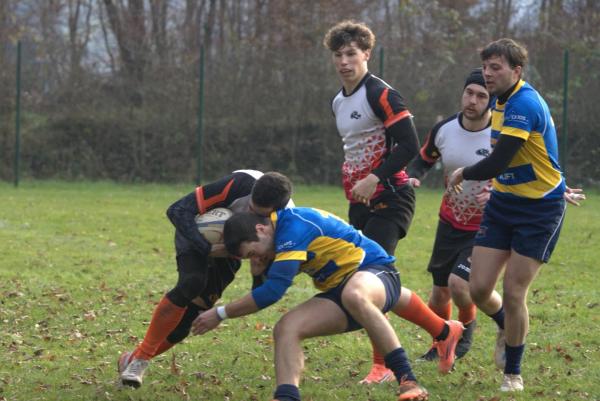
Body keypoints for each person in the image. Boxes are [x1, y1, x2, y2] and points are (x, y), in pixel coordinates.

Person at [192, 208, 464, 401]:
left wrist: (221, 313)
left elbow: (272, 292)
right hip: (339, 289)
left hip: (376, 269)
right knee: (286, 327)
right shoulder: (275, 237)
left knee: (355, 295)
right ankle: (286, 396)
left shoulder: (292, 229)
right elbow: (262, 289)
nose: (257, 257)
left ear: (260, 229)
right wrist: (252, 269)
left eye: (254, 252)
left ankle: (408, 380)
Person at [448, 38, 585, 392]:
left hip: (539, 209)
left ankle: (513, 372)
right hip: (503, 204)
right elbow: (539, 152)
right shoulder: (498, 99)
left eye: (496, 68)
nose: (488, 74)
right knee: (478, 288)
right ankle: (504, 325)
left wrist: (463, 172)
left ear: (516, 70)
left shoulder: (523, 104)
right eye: (486, 67)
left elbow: (499, 160)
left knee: (513, 292)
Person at [324, 20, 440, 384]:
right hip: (359, 202)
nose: (344, 62)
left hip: (392, 196)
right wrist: (356, 182)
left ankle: (384, 365)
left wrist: (373, 178)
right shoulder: (338, 101)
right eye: (338, 55)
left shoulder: (382, 94)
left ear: (366, 54)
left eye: (351, 54)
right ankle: (443, 330)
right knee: (369, 278)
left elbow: (409, 146)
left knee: (370, 277)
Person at [117, 170, 293, 388]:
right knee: (192, 282)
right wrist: (206, 247)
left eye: (256, 213)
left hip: (232, 253)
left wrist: (257, 272)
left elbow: (262, 291)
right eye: (249, 207)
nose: (248, 213)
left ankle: (129, 359)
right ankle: (141, 360)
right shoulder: (239, 184)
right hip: (198, 233)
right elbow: (178, 210)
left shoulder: (287, 228)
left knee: (188, 322)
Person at [407, 68, 502, 362]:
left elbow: (522, 170)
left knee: (460, 285)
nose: (472, 100)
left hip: (486, 226)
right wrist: (413, 175)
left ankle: (465, 334)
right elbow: (424, 159)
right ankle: (442, 342)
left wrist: (499, 191)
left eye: (481, 96)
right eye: (469, 93)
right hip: (449, 221)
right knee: (439, 293)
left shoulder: (501, 135)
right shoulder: (445, 129)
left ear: (492, 101)